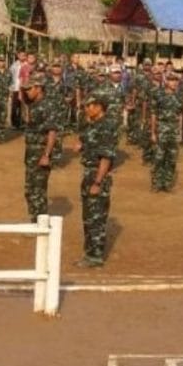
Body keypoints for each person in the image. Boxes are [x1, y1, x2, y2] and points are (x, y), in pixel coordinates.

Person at [75, 92, 119, 268]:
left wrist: (98, 182)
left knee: (96, 218)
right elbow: (88, 144)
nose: (87, 109)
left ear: (100, 107)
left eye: (90, 106)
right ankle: (90, 252)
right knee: (88, 216)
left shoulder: (107, 126)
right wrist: (82, 146)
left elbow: (106, 158)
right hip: (88, 173)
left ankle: (96, 255)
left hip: (97, 176)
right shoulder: (92, 125)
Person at [22, 74, 59, 222]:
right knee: (30, 189)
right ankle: (35, 219)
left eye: (30, 89)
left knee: (38, 190)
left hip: (40, 152)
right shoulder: (34, 104)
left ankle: (39, 223)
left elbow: (52, 132)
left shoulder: (47, 105)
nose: (27, 92)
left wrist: (46, 155)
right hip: (31, 152)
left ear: (39, 88)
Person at [10, 50, 26, 129]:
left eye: (24, 55)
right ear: (18, 55)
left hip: (25, 89)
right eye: (21, 55)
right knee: (14, 106)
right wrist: (11, 88)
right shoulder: (14, 65)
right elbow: (11, 77)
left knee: (23, 107)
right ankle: (14, 123)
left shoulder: (27, 65)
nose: (22, 56)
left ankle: (21, 123)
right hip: (15, 88)